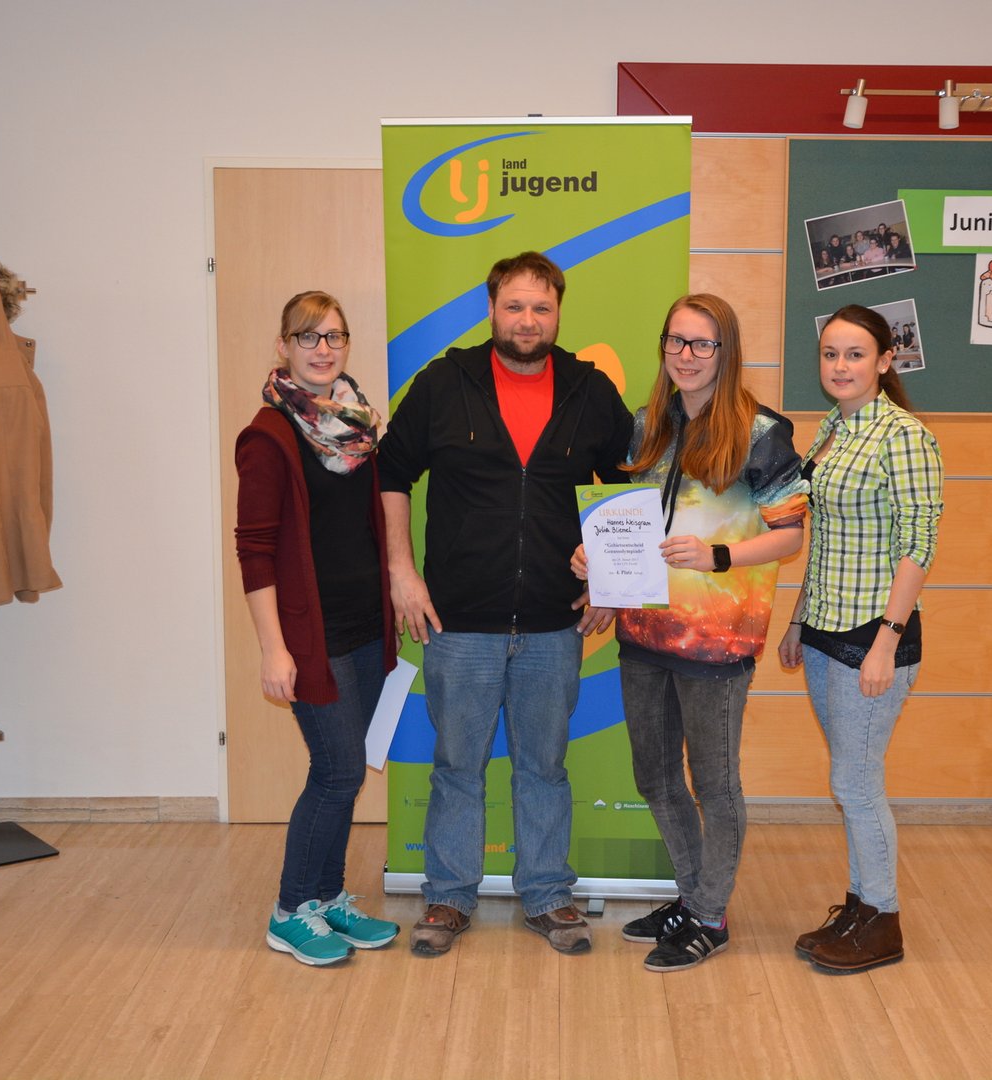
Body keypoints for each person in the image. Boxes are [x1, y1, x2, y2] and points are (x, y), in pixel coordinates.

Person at [378, 251, 635, 957]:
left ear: (558, 314)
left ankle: (548, 894)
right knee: (457, 766)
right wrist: (402, 573)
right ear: (492, 310)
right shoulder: (444, 384)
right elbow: (391, 473)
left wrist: (610, 582)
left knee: (544, 767)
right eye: (515, 306)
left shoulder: (589, 390)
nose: (527, 320)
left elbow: (625, 487)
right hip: (458, 621)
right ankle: (448, 896)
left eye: (541, 308)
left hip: (555, 622)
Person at [578, 294, 807, 972]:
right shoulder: (646, 425)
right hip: (644, 632)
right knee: (653, 776)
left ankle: (710, 915)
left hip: (717, 642)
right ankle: (692, 895)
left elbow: (790, 535)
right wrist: (598, 567)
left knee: (714, 782)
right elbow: (627, 518)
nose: (686, 355)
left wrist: (720, 556)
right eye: (675, 341)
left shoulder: (761, 433)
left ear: (724, 352)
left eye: (702, 344)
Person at [235, 290, 401, 967]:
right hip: (311, 636)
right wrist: (274, 650)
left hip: (364, 628)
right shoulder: (269, 436)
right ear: (284, 346)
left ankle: (327, 898)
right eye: (308, 336)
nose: (323, 349)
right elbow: (254, 551)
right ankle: (288, 911)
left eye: (334, 336)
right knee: (336, 772)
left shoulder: (358, 427)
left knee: (348, 773)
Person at [777, 304, 942, 975]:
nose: (840, 366)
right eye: (830, 354)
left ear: (884, 361)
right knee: (848, 777)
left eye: (855, 354)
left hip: (872, 636)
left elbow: (918, 546)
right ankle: (858, 906)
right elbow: (822, 539)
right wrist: (797, 620)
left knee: (857, 781)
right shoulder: (831, 430)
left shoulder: (904, 436)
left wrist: (886, 641)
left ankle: (883, 921)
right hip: (823, 628)